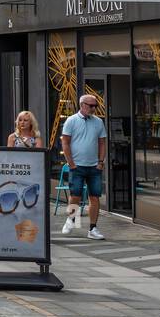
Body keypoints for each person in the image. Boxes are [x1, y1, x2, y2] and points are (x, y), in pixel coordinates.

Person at [61, 95, 107, 240]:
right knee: (75, 196)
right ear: (82, 105)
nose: (94, 108)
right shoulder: (71, 120)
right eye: (91, 106)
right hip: (77, 165)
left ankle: (92, 229)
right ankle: (72, 219)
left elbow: (102, 143)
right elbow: (65, 143)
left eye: (95, 106)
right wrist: (71, 163)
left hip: (94, 166)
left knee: (94, 197)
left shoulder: (98, 121)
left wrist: (101, 162)